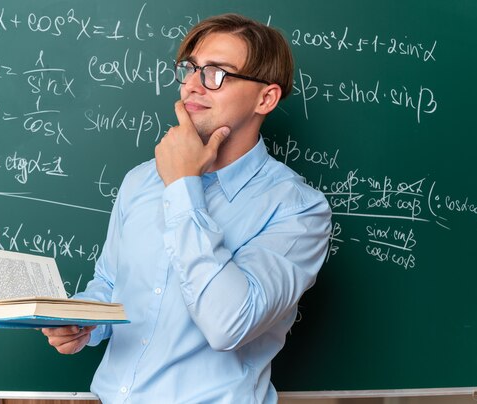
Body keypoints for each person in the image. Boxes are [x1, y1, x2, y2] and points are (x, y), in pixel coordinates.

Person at [42, 13, 331, 403]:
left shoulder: (299, 210)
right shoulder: (141, 180)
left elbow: (229, 324)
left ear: (266, 97)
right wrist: (83, 322)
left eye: (217, 73)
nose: (193, 85)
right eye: (191, 69)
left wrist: (182, 186)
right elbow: (110, 285)